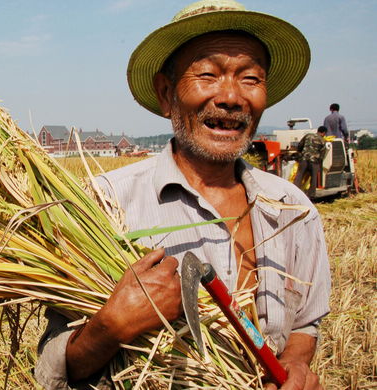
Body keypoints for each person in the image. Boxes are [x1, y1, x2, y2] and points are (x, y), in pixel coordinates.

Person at [35, 1, 330, 389]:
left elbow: (306, 322)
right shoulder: (105, 206)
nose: (230, 96)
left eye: (250, 79)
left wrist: (293, 364)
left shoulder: (294, 211)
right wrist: (110, 327)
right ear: (165, 93)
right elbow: (54, 367)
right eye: (207, 74)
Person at [294, 126, 328, 200]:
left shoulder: (308, 135)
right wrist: (319, 163)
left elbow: (300, 145)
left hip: (304, 159)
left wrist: (299, 153)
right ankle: (311, 196)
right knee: (313, 177)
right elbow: (322, 154)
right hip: (314, 162)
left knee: (299, 175)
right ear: (324, 133)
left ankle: (294, 192)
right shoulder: (322, 140)